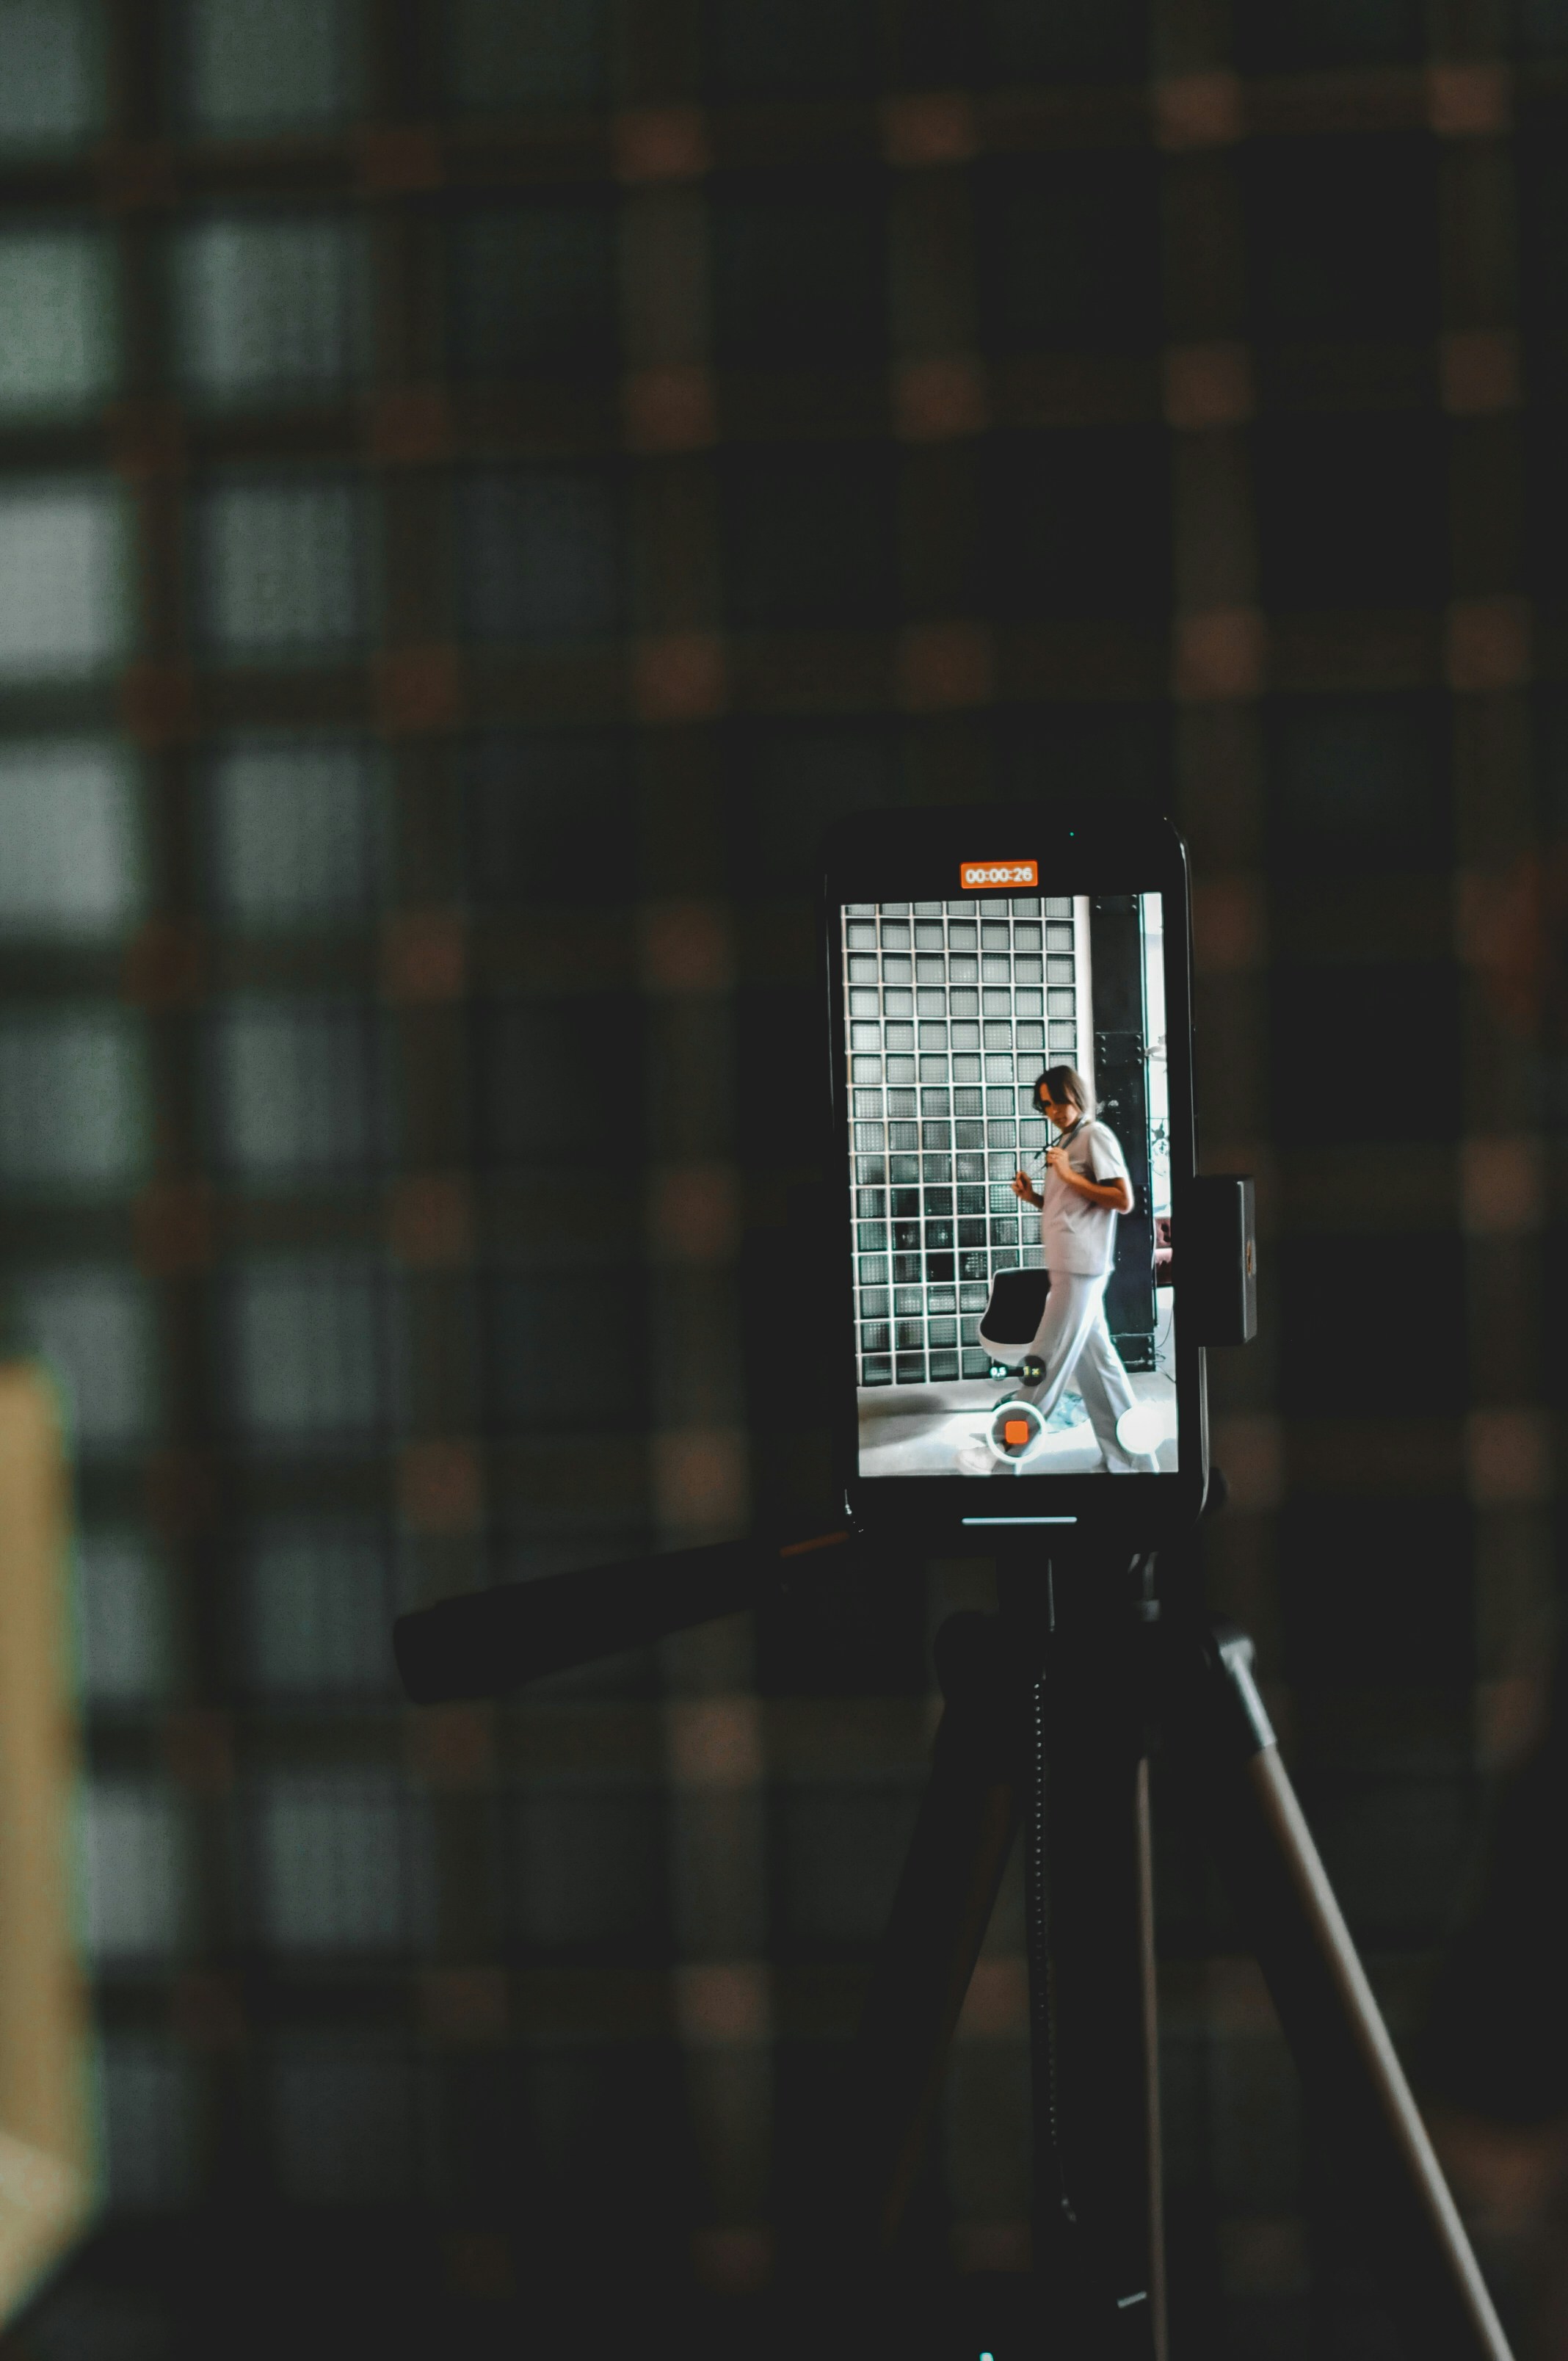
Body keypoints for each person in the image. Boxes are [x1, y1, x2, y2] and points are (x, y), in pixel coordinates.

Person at [958, 1065, 1160, 1476]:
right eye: (1046, 1105)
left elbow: (1122, 1199)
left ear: (1077, 1096)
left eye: (1060, 1101)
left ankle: (1002, 1452)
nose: (1054, 1111)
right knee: (1102, 1373)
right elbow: (1070, 1209)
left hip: (1080, 1269)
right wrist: (1034, 1196)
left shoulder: (1095, 1136)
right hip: (1070, 1268)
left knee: (1041, 1365)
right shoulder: (1067, 1142)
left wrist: (1067, 1173)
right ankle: (1133, 1464)